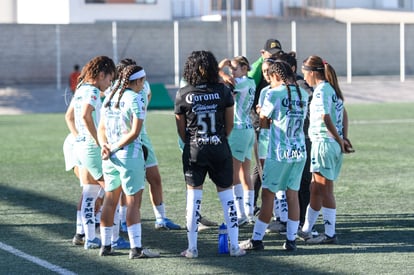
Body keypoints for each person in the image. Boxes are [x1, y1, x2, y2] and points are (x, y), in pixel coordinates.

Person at [175, 50, 246, 258]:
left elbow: (181, 129)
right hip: (219, 147)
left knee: (193, 198)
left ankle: (192, 248)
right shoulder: (223, 91)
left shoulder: (183, 93)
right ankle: (234, 247)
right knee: (227, 197)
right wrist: (218, 139)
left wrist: (193, 141)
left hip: (195, 149)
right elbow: (230, 124)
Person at [239, 60, 309, 251]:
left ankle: (257, 239)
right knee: (292, 195)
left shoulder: (273, 93)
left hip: (279, 153)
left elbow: (264, 122)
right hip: (299, 152)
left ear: (276, 76)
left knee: (268, 195)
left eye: (270, 77)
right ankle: (291, 240)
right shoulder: (303, 93)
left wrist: (262, 113)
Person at [98, 64, 160, 259]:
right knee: (133, 203)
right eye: (143, 81)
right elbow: (135, 133)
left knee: (110, 200)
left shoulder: (109, 96)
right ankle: (136, 248)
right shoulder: (135, 98)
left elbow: (100, 129)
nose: (144, 85)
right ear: (138, 80)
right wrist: (115, 147)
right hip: (128, 156)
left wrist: (105, 146)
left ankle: (106, 245)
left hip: (109, 156)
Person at [113, 58, 181, 231]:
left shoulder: (144, 86)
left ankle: (161, 218)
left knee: (155, 178)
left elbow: (147, 96)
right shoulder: (117, 91)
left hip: (143, 138)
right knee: (124, 184)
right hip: (125, 141)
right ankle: (122, 219)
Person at [297, 55, 353, 244]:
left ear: (312, 73)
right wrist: (343, 138)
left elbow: (325, 118)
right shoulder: (331, 89)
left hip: (324, 144)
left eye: (305, 73)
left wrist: (339, 139)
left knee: (325, 190)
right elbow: (344, 113)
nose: (304, 78)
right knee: (315, 188)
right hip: (330, 145)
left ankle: (330, 234)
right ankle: (306, 229)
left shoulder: (321, 91)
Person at [65, 55, 116, 249]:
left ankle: (86, 235)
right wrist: (98, 141)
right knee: (111, 190)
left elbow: (68, 117)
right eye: (109, 79)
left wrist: (79, 138)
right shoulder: (93, 91)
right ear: (101, 74)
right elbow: (86, 115)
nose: (109, 83)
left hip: (81, 146)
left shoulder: (81, 89)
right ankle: (108, 236)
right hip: (91, 148)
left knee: (90, 191)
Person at [219, 56, 256, 225]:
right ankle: (248, 213)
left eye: (234, 68)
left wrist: (221, 68)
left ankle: (240, 214)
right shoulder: (251, 82)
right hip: (248, 129)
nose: (231, 72)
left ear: (244, 68)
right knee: (244, 174)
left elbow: (216, 78)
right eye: (230, 69)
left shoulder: (240, 84)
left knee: (233, 173)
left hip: (239, 130)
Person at [248, 39, 284, 214]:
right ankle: (262, 206)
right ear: (263, 54)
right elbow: (247, 91)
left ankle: (260, 206)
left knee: (264, 166)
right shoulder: (257, 71)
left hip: (273, 125)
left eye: (278, 53)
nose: (275, 55)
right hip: (261, 124)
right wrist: (258, 117)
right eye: (272, 53)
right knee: (262, 166)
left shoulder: (278, 73)